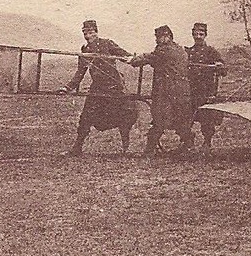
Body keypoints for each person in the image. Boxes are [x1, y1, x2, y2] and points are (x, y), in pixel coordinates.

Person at [62, 20, 138, 155]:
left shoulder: (107, 43)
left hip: (115, 87)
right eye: (85, 32)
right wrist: (68, 87)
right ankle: (77, 148)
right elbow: (80, 71)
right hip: (97, 88)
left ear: (96, 32)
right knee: (85, 118)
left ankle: (127, 147)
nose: (88, 35)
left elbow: (124, 55)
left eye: (91, 32)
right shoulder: (85, 50)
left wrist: (134, 59)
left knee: (124, 116)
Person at [129, 25, 194, 155]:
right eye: (156, 37)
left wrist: (132, 60)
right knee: (179, 120)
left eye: (159, 37)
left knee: (159, 119)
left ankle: (149, 149)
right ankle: (188, 145)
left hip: (167, 91)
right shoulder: (179, 49)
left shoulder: (165, 50)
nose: (157, 40)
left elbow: (147, 58)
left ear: (167, 37)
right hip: (181, 92)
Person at [185, 22, 227, 149]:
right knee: (187, 117)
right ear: (192, 35)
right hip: (191, 89)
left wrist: (219, 65)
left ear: (205, 35)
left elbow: (223, 70)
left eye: (201, 34)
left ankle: (207, 142)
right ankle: (187, 142)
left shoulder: (211, 51)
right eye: (196, 34)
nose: (198, 36)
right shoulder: (188, 52)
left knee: (206, 117)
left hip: (206, 89)